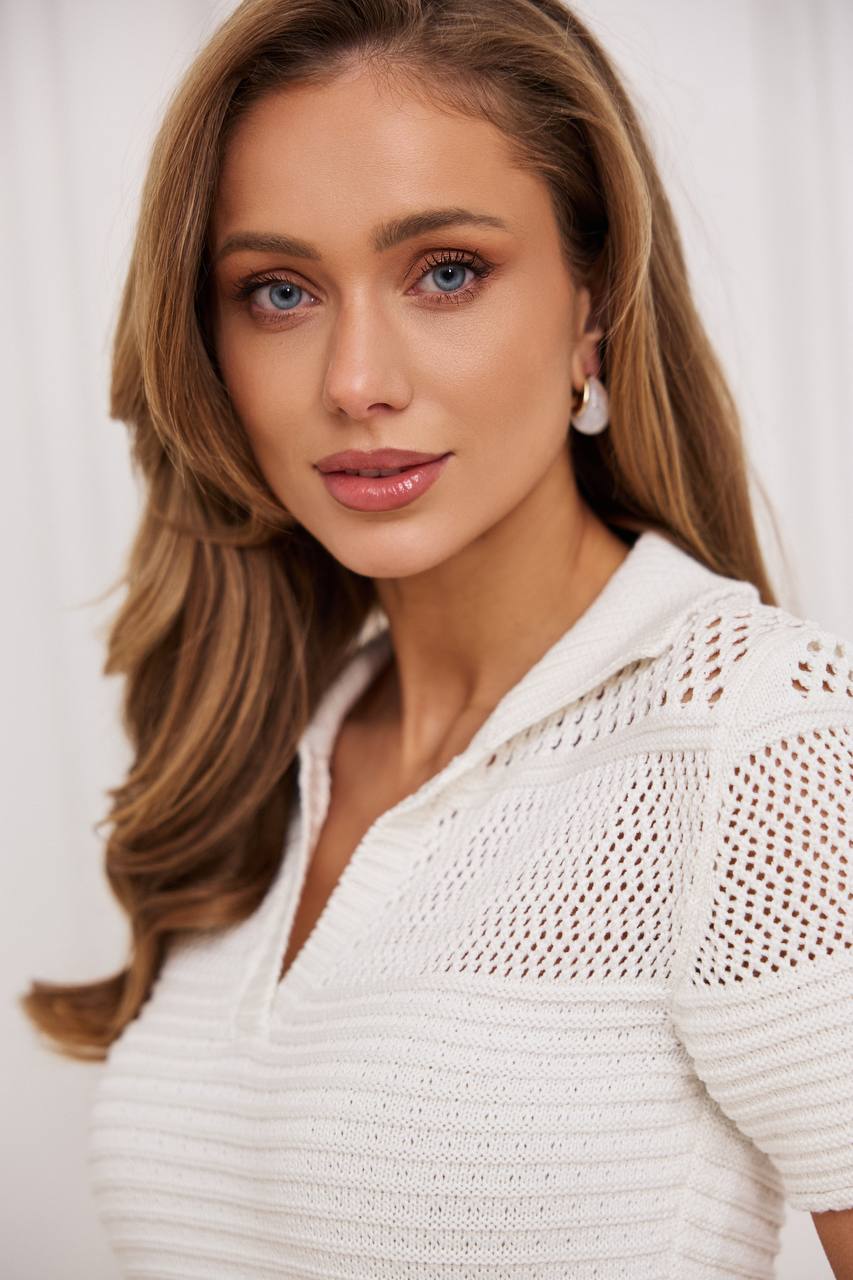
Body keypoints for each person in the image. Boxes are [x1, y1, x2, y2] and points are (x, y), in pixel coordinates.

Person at [20, 0, 853, 1275]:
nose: (356, 380)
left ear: (591, 307)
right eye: (279, 291)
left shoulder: (757, 740)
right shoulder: (264, 752)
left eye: (446, 271)